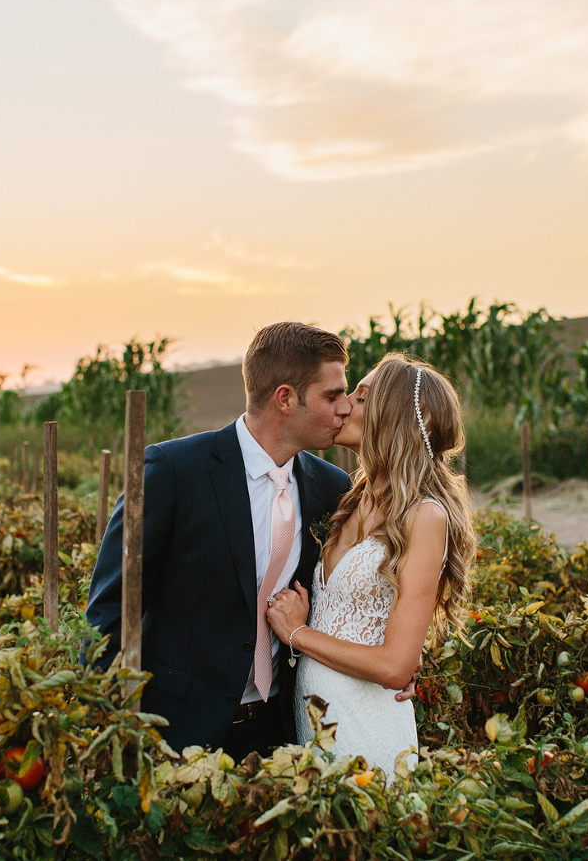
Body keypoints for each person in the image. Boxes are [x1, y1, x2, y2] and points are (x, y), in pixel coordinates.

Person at [85, 321, 353, 760]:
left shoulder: (331, 487)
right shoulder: (173, 471)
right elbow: (109, 609)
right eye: (332, 395)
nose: (345, 408)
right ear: (285, 398)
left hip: (282, 732)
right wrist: (101, 730)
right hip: (174, 731)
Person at [266, 353, 476, 777]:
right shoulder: (346, 497)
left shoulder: (424, 516)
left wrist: (298, 634)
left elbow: (397, 667)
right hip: (317, 722)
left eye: (360, 398)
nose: (344, 405)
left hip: (369, 731)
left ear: (391, 417)